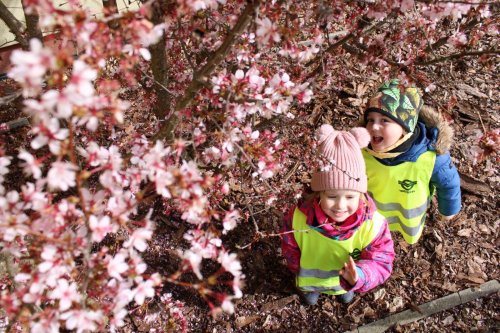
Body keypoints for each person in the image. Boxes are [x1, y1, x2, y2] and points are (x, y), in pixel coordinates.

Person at [281, 125, 395, 306]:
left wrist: (359, 278)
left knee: (346, 294)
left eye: (350, 196)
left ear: (361, 193)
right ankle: (311, 292)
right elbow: (290, 247)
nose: (341, 205)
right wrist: (295, 268)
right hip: (309, 281)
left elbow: (382, 260)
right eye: (332, 196)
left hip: (346, 282)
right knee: (310, 300)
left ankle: (344, 289)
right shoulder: (298, 218)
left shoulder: (373, 225)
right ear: (318, 193)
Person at [362, 79, 462, 245]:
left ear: (405, 127)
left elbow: (449, 183)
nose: (374, 126)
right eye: (370, 120)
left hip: (408, 218)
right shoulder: (362, 151)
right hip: (371, 216)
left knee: (401, 231)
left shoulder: (430, 157)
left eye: (384, 120)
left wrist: (448, 210)